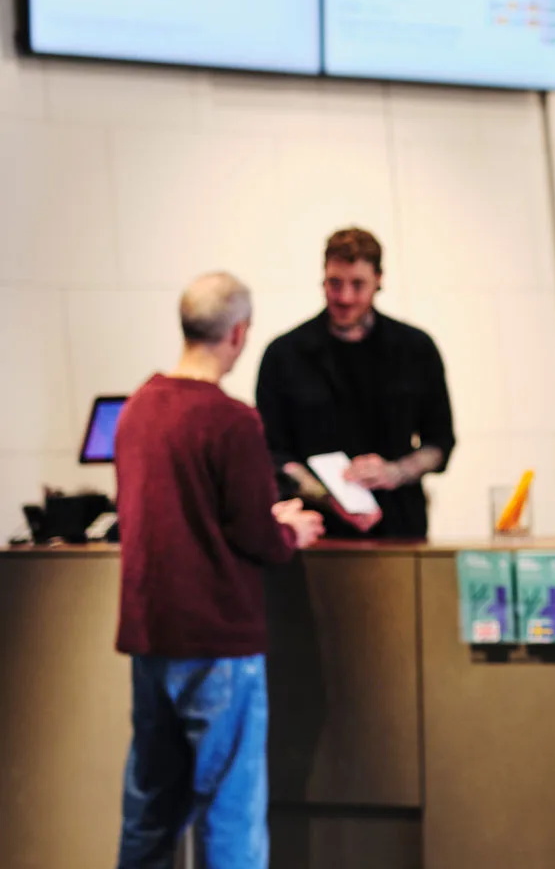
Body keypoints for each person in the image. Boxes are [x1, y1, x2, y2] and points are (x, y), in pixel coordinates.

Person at [114, 272, 327, 868]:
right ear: (238, 333)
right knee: (230, 818)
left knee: (149, 814)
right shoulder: (232, 420)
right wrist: (292, 528)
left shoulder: (136, 409)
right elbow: (254, 534)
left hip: (151, 639)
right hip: (218, 645)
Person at [255, 228, 454, 538]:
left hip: (399, 527)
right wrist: (328, 494)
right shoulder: (284, 354)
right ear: (323, 279)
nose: (345, 297)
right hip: (314, 530)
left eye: (358, 285)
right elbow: (271, 451)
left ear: (379, 280)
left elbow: (440, 443)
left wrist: (394, 472)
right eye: (335, 284)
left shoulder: (416, 349)